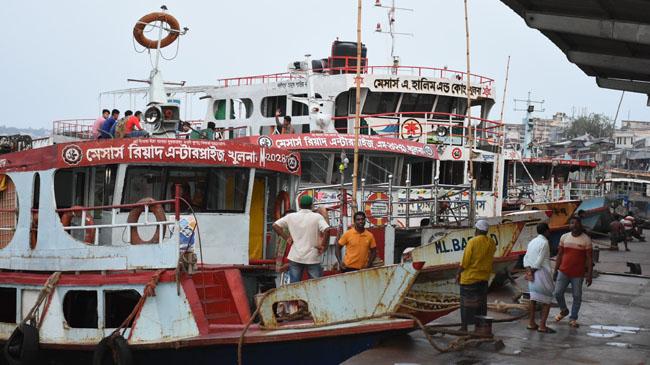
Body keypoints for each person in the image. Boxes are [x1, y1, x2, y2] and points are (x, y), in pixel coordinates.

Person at [272, 195, 329, 282]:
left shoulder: (291, 216)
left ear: (299, 204)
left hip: (295, 256)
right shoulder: (317, 217)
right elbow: (327, 230)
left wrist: (286, 237)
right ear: (311, 205)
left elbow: (275, 225)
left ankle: (295, 296)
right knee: (316, 284)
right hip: (312, 256)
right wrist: (323, 245)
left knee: (294, 284)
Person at [456, 219, 496, 332]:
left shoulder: (472, 242)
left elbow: (465, 261)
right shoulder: (491, 242)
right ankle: (480, 327)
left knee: (466, 304)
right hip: (483, 278)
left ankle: (464, 327)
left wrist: (458, 273)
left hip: (469, 278)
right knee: (481, 304)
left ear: (477, 230)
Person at [553, 216, 593, 328]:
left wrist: (589, 275)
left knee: (577, 296)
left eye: (576, 223)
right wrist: (555, 270)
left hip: (578, 274)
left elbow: (590, 259)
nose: (574, 225)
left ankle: (573, 318)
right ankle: (564, 310)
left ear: (580, 225)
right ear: (569, 225)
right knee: (557, 293)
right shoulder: (564, 237)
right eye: (571, 223)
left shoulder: (586, 240)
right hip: (563, 271)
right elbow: (559, 255)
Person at [523, 223, 556, 333]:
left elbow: (526, 257)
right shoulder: (544, 242)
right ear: (546, 231)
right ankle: (542, 325)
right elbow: (539, 261)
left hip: (531, 273)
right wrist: (533, 269)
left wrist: (528, 271)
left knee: (533, 299)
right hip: (541, 273)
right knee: (547, 300)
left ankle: (531, 323)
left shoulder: (532, 242)